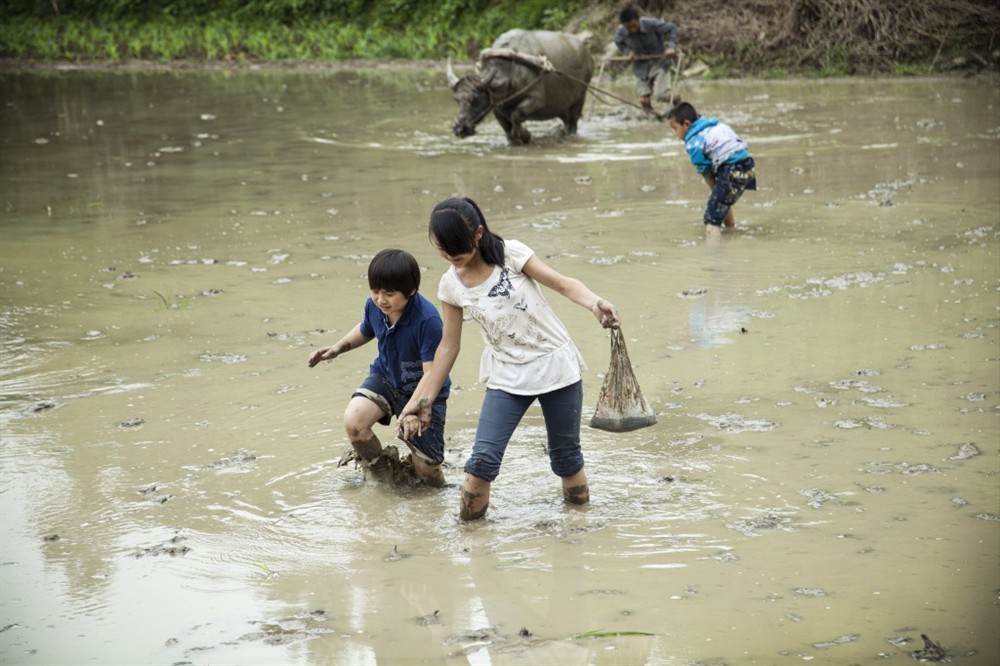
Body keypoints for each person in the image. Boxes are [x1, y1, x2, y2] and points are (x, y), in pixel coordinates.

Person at [398, 198, 620, 521]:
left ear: (477, 234)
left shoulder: (510, 254)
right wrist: (424, 398)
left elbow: (561, 283)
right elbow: (448, 347)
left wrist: (594, 303)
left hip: (555, 366)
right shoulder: (450, 285)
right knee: (482, 462)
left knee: (567, 458)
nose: (451, 257)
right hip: (507, 376)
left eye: (457, 247)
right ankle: (472, 543)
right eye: (442, 250)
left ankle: (577, 534)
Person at [307, 248, 450, 487]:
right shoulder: (375, 307)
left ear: (411, 291)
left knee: (426, 469)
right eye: (375, 291)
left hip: (425, 391)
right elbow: (366, 329)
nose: (381, 299)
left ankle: (436, 500)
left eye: (390, 294)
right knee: (354, 422)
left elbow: (431, 373)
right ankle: (383, 477)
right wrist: (338, 348)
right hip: (386, 377)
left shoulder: (428, 320)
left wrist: (414, 409)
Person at [666, 101, 757, 240]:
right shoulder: (716, 126)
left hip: (731, 168)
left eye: (675, 128)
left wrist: (714, 189)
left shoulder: (693, 143)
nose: (675, 134)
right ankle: (730, 234)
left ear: (686, 124)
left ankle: (715, 255)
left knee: (712, 217)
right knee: (722, 201)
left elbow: (705, 171)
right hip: (747, 166)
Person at [613, 6, 680, 113]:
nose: (632, 30)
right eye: (628, 28)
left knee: (661, 95)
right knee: (643, 100)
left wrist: (671, 47)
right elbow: (618, 42)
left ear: (638, 19)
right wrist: (628, 52)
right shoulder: (622, 31)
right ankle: (652, 117)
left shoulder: (650, 24)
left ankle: (677, 101)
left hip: (660, 62)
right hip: (641, 66)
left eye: (634, 26)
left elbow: (672, 28)